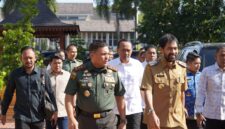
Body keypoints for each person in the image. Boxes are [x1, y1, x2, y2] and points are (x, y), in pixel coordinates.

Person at [64, 41, 127, 129]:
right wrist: (71, 118)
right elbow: (69, 96)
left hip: (108, 121)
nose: (107, 57)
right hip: (85, 121)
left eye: (108, 54)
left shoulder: (113, 73)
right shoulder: (78, 72)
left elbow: (120, 97)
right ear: (92, 55)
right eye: (104, 54)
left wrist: (123, 120)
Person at [0, 46, 57, 129]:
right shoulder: (15, 74)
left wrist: (55, 111)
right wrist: (3, 112)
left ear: (35, 58)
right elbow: (8, 94)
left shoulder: (43, 73)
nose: (28, 60)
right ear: (21, 58)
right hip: (21, 116)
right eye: (25, 58)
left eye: (30, 58)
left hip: (39, 116)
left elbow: (50, 92)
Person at [141, 33, 188, 129]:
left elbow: (182, 93)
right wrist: (151, 112)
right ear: (162, 50)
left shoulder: (182, 68)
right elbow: (147, 91)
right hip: (157, 120)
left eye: (175, 48)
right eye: (169, 48)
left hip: (178, 120)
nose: (173, 51)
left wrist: (183, 109)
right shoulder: (151, 68)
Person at [108, 39, 144, 129]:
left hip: (134, 109)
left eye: (128, 50)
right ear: (118, 50)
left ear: (132, 50)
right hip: (115, 110)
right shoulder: (110, 66)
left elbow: (142, 87)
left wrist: (146, 106)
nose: (126, 53)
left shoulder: (138, 65)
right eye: (123, 50)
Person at [195, 46, 225, 129]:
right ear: (216, 56)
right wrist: (198, 111)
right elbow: (201, 92)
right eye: (222, 55)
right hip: (210, 116)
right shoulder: (207, 71)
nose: (224, 58)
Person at [46, 55, 70, 129]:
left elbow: (72, 92)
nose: (57, 65)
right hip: (49, 111)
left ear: (62, 63)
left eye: (59, 63)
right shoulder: (45, 75)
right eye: (55, 63)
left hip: (63, 111)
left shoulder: (67, 75)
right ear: (50, 63)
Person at [185, 52, 201, 129]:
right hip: (187, 116)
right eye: (196, 63)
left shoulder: (203, 76)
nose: (198, 66)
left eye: (199, 63)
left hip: (201, 115)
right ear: (188, 63)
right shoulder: (183, 76)